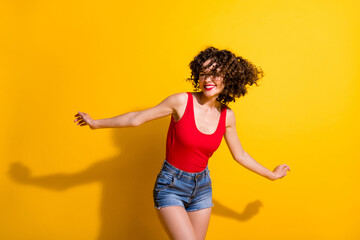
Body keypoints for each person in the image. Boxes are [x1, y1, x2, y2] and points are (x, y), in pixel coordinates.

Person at [74, 46, 291, 240]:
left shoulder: (227, 116)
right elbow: (136, 118)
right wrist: (96, 123)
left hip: (202, 187)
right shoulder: (181, 101)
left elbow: (240, 155)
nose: (208, 79)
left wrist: (271, 175)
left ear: (228, 78)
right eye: (203, 73)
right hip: (171, 186)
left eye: (215, 74)